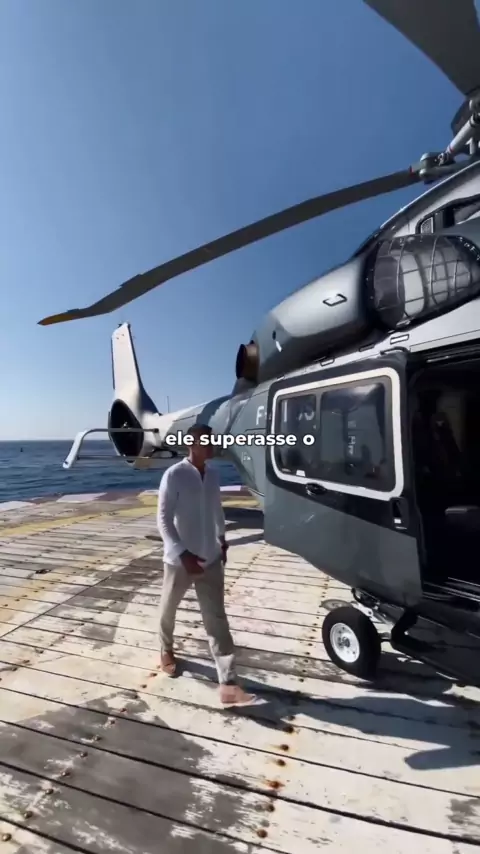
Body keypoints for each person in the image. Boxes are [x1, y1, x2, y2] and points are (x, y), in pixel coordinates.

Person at [157, 423, 257, 708]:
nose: (212, 445)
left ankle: (228, 683)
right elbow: (163, 519)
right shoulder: (174, 475)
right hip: (180, 560)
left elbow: (216, 509)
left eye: (212, 441)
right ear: (192, 443)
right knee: (168, 609)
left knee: (217, 620)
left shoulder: (212, 474)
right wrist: (182, 553)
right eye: (207, 441)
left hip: (210, 557)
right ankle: (165, 649)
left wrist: (222, 540)